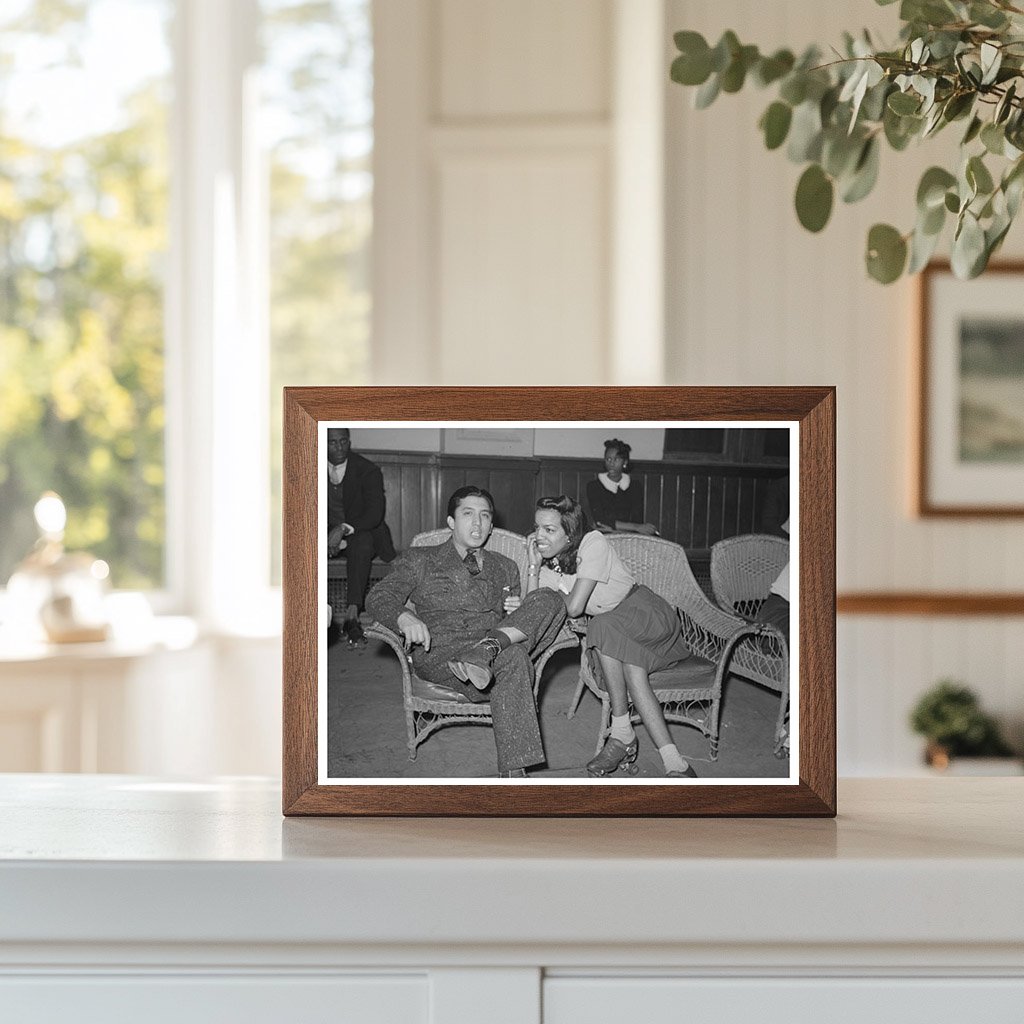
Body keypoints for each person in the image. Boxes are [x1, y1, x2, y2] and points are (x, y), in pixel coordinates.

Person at [365, 486, 566, 778]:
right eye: (468, 514)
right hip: (445, 656)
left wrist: (518, 609)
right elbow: (378, 596)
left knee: (548, 600)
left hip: (493, 655)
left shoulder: (504, 566)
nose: (477, 523)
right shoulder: (421, 559)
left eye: (485, 516)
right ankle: (516, 774)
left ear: (492, 526)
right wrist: (404, 616)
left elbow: (522, 620)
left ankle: (512, 773)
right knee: (515, 657)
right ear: (451, 521)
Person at [526, 495, 697, 779]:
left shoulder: (593, 542)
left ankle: (622, 735)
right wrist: (533, 566)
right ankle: (674, 762)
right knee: (621, 652)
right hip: (612, 629)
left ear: (570, 533)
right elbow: (533, 610)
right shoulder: (547, 565)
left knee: (602, 627)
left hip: (646, 614)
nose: (538, 536)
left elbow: (576, 606)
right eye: (536, 527)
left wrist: (555, 594)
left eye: (549, 529)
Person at [326, 427, 396, 645]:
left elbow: (374, 515)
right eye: (332, 442)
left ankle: (352, 615)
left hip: (365, 533)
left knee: (362, 542)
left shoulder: (367, 470)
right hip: (327, 532)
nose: (339, 447)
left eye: (343, 441)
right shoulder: (309, 465)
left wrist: (342, 530)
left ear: (349, 442)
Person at [585, 438, 659, 536]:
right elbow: (600, 521)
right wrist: (635, 527)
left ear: (625, 462)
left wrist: (616, 530)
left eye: (616, 459)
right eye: (608, 459)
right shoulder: (594, 486)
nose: (611, 463)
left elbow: (637, 519)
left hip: (630, 536)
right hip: (605, 536)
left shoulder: (635, 486)